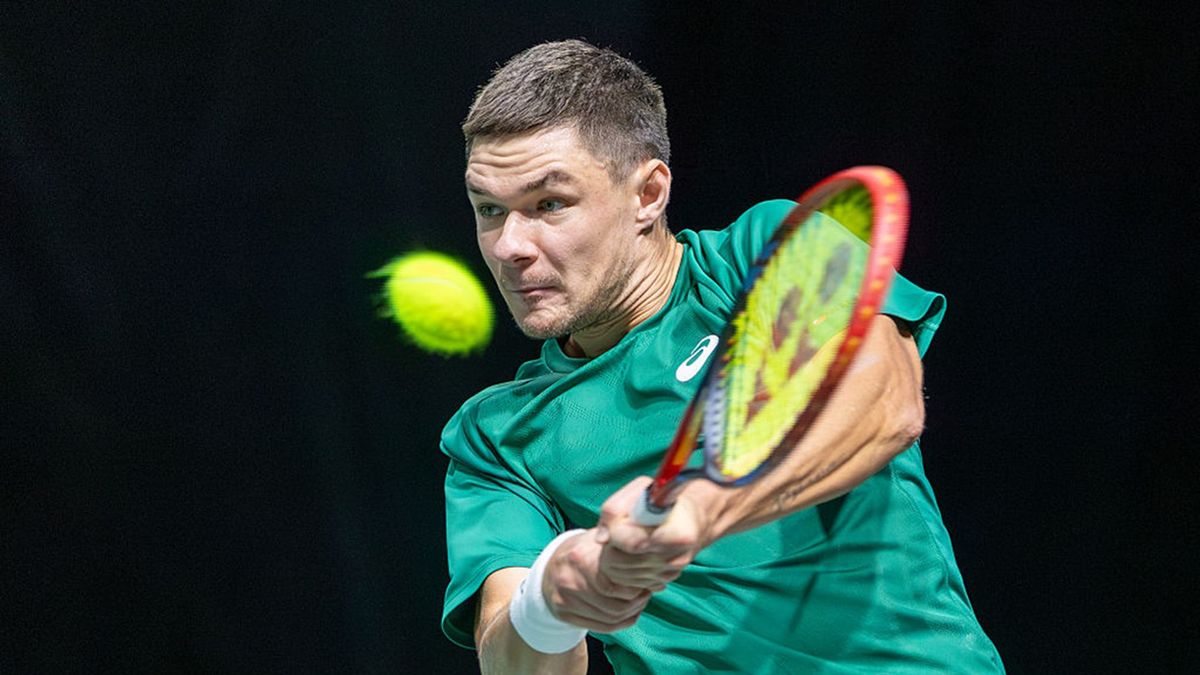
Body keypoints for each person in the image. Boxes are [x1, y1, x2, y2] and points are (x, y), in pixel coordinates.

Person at [440, 39, 1004, 674]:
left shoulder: (762, 254)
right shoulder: (493, 435)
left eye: (549, 204)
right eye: (490, 209)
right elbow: (511, 656)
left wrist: (704, 509)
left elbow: (885, 402)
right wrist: (550, 599)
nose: (510, 245)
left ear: (647, 195)